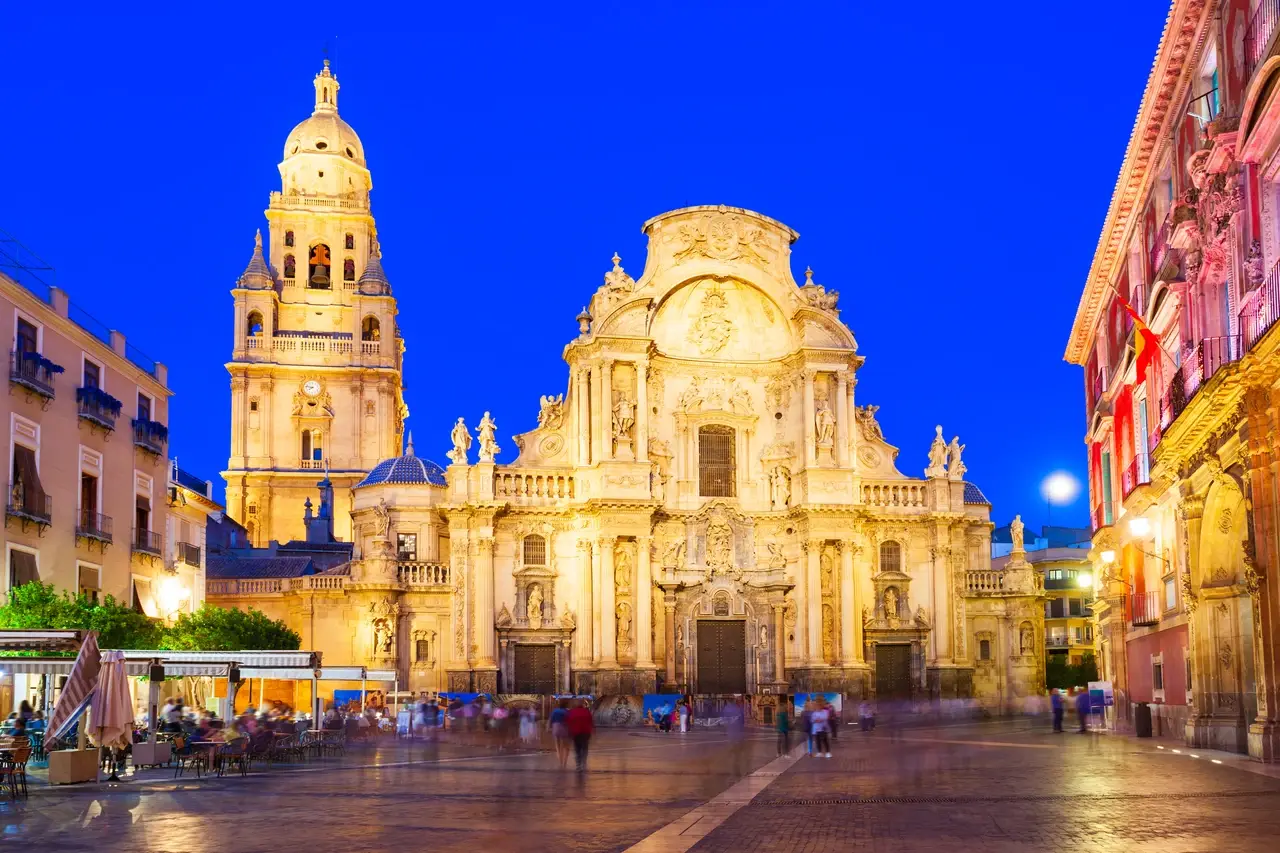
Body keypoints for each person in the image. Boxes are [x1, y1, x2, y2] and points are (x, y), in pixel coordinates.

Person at [566, 699, 594, 771]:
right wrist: (592, 731)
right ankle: (584, 763)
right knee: (585, 748)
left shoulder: (572, 712)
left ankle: (578, 765)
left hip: (576, 733)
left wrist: (569, 733)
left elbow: (569, 722)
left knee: (577, 749)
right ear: (582, 705)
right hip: (585, 733)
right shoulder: (586, 712)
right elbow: (591, 722)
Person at [549, 700, 571, 768]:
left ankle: (559, 758)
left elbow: (551, 720)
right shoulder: (567, 711)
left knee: (557, 744)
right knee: (566, 746)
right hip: (564, 728)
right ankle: (564, 762)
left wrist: (548, 727)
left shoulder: (555, 711)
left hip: (556, 728)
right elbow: (569, 720)